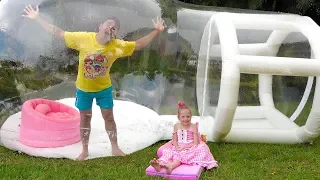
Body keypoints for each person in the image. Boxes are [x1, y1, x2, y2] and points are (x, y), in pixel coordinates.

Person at [22, 5, 166, 160]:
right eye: (108, 23)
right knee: (85, 118)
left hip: (104, 89)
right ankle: (84, 150)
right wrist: (37, 19)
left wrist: (156, 31)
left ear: (115, 33)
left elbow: (138, 44)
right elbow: (60, 33)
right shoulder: (84, 39)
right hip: (83, 89)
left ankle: (115, 147)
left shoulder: (117, 46)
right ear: (100, 26)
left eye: (115, 27)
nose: (111, 27)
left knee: (108, 117)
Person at [149, 102, 218, 174]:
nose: (186, 119)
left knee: (202, 149)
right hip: (179, 145)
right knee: (172, 154)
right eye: (183, 117)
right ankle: (159, 165)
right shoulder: (176, 126)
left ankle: (170, 166)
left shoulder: (193, 126)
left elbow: (196, 142)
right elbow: (174, 140)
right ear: (179, 117)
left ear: (191, 116)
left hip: (191, 145)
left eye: (188, 116)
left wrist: (185, 147)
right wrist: (177, 146)